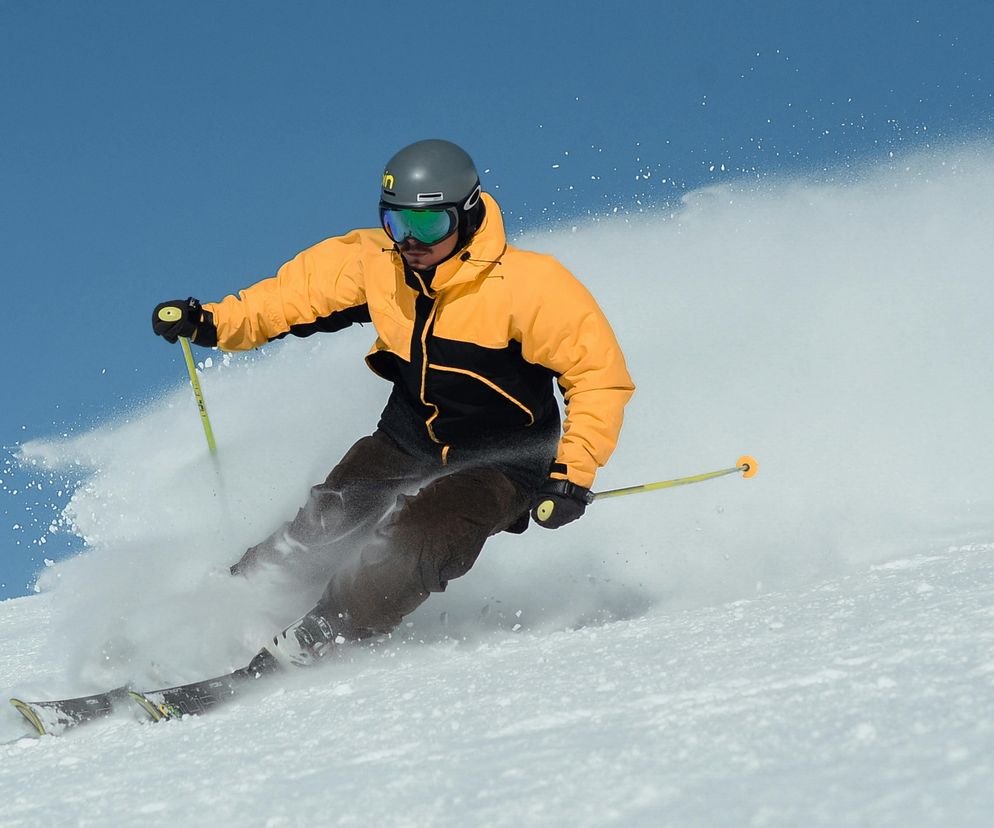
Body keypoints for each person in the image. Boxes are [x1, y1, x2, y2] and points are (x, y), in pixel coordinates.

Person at [152, 139, 634, 668]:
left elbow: (598, 376)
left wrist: (572, 474)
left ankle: (326, 633)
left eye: (427, 226)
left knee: (418, 539)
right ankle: (226, 608)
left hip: (506, 459)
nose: (410, 241)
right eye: (396, 223)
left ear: (467, 214)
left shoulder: (530, 286)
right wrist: (216, 322)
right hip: (410, 437)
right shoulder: (379, 264)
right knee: (328, 520)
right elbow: (290, 298)